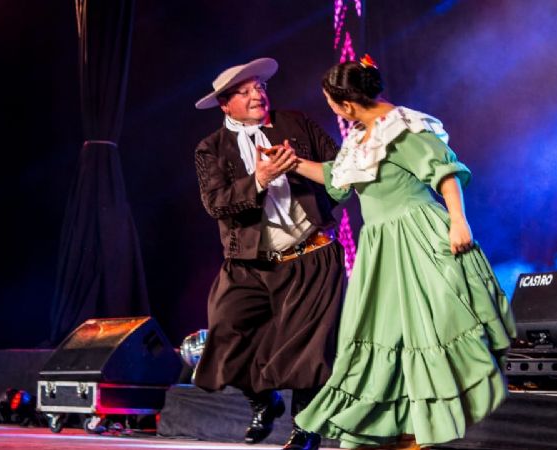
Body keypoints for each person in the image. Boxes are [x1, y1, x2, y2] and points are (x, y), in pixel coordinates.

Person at [289, 56, 517, 449]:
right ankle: (396, 429)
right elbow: (337, 180)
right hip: (380, 248)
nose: (330, 109)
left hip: (416, 236)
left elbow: (445, 173)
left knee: (431, 326)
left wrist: (458, 221)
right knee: (385, 335)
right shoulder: (359, 136)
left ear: (347, 104)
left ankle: (426, 424)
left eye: (331, 102)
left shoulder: (403, 128)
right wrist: (291, 164)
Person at [192, 57, 344, 450]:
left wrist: (299, 167)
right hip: (248, 262)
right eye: (244, 91)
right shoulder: (211, 149)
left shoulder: (296, 123)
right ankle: (263, 400)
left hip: (311, 255)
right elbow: (215, 203)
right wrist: (258, 179)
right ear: (226, 104)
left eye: (258, 85)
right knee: (226, 333)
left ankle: (305, 429)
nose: (256, 93)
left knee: (307, 350)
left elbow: (339, 167)